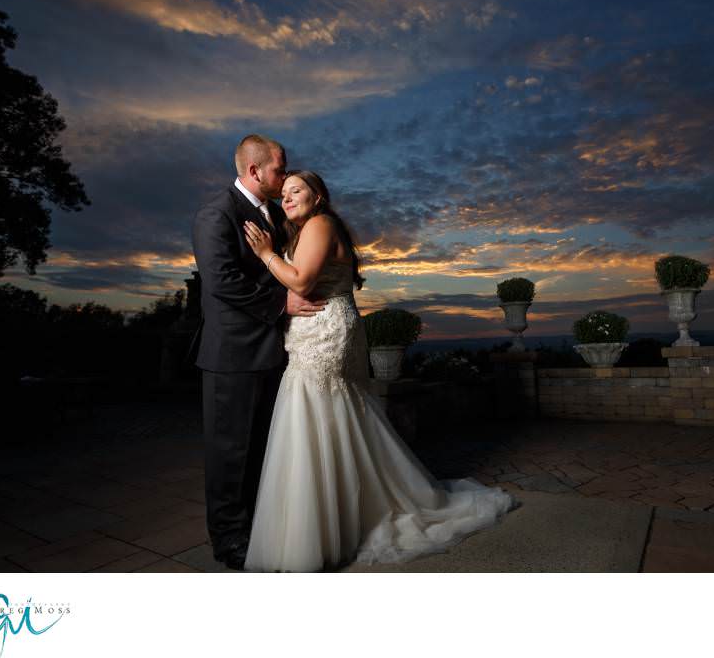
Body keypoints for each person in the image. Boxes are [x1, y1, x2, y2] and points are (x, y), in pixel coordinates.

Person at [241, 169, 515, 571]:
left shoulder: (320, 224)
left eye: (297, 190)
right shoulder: (306, 231)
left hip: (324, 334)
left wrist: (266, 254)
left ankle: (331, 523)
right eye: (284, 193)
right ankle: (336, 516)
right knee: (329, 413)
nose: (288, 197)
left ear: (319, 196)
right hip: (316, 330)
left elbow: (300, 283)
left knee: (319, 408)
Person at [191, 136, 325, 572]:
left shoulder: (274, 214)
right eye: (279, 170)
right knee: (230, 453)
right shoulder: (217, 214)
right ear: (254, 171)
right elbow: (222, 282)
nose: (285, 177)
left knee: (261, 449)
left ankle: (259, 528)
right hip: (233, 355)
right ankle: (229, 541)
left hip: (274, 350)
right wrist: (283, 304)